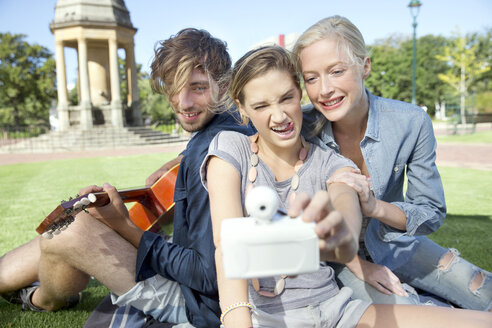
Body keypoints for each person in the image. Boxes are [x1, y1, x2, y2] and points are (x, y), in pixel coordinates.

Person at [201, 44, 492, 327]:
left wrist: (343, 237)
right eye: (261, 106)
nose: (279, 116)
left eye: (286, 98)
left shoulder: (331, 161)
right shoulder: (231, 148)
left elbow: (346, 209)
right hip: (265, 316)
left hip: (337, 309)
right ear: (242, 109)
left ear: (299, 94)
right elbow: (227, 246)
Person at [0, 28, 253, 327]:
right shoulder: (235, 125)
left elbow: (206, 276)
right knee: (66, 229)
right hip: (193, 272)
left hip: (200, 303)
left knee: (66, 232)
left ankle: (42, 300)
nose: (183, 102)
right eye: (174, 87)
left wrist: (124, 226)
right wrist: (177, 162)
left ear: (223, 87)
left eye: (197, 88)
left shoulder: (212, 156)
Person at [292, 15, 492, 310]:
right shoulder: (299, 126)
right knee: (413, 309)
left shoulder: (411, 122)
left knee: (480, 290)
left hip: (392, 241)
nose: (324, 89)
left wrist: (375, 207)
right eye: (311, 78)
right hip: (334, 259)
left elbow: (430, 212)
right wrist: (362, 266)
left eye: (336, 71)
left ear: (365, 66)